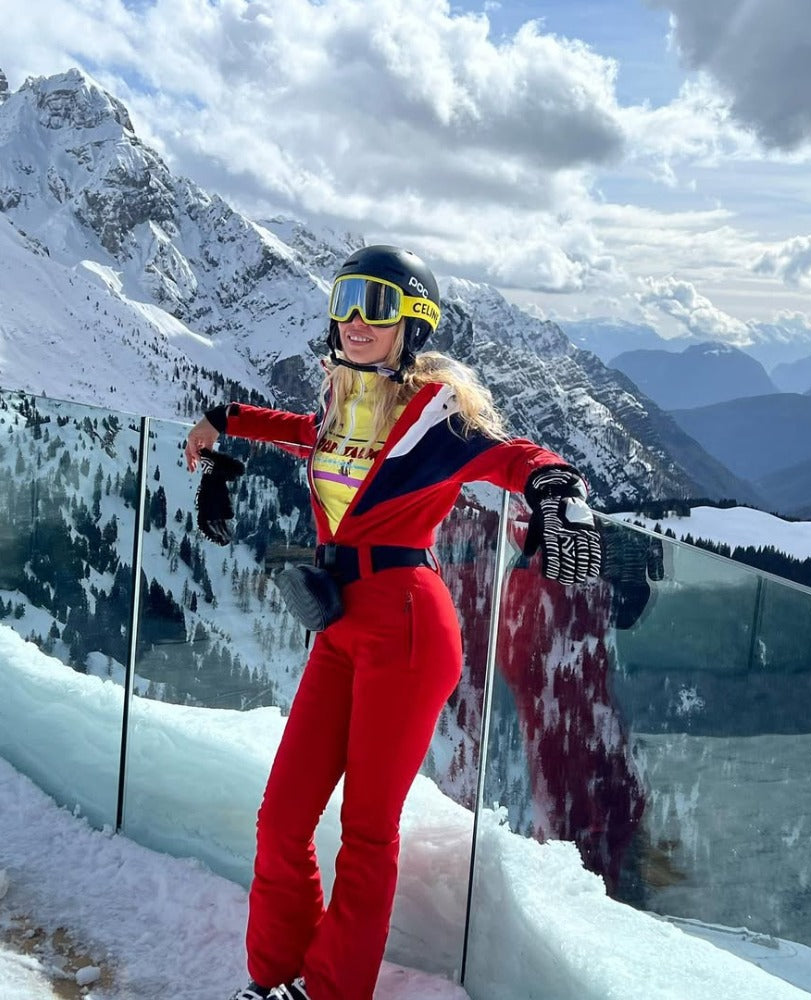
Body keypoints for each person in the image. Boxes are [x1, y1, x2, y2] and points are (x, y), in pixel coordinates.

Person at [185, 245, 601, 1000]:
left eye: (375, 304)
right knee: (282, 819)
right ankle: (273, 976)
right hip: (340, 625)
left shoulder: (436, 419)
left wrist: (556, 487)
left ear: (413, 321)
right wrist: (224, 420)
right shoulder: (343, 400)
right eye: (344, 299)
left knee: (368, 833)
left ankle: (330, 990)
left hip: (408, 629)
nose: (354, 319)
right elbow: (303, 433)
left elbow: (511, 457)